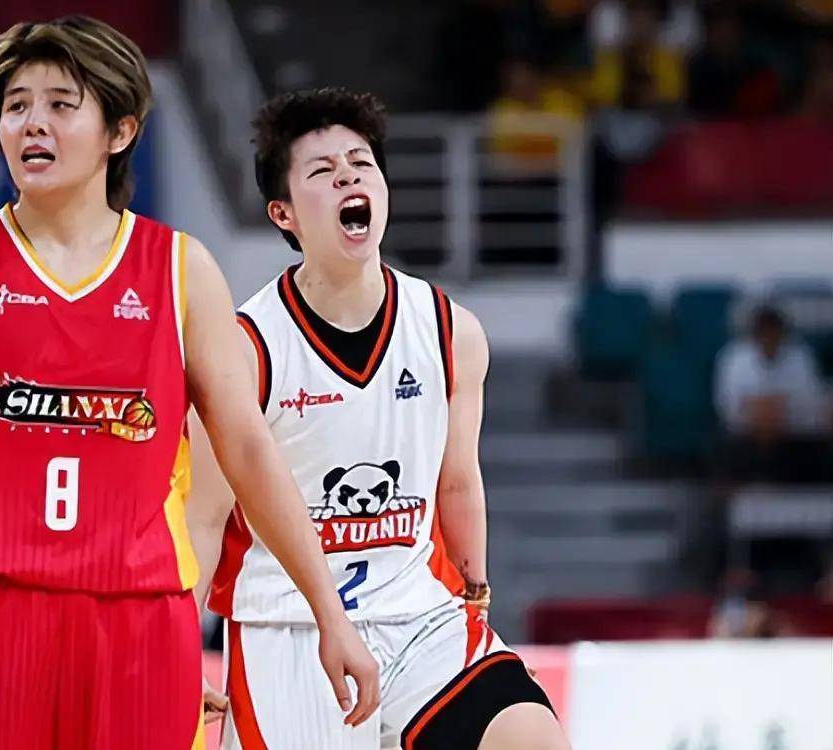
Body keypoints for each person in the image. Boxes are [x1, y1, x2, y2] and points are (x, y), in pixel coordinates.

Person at [0, 17, 379, 750]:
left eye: (61, 104)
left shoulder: (181, 271)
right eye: (16, 106)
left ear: (120, 131)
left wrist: (330, 615)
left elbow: (249, 453)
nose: (33, 123)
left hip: (141, 624)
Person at [188, 88, 569, 750]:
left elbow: (458, 480)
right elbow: (201, 518)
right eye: (322, 170)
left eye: (360, 164)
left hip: (419, 614)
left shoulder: (451, 330)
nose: (347, 177)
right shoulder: (244, 348)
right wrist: (183, 649)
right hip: (289, 625)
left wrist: (477, 604)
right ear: (283, 213)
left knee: (530, 737)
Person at [715, 304, 830, 481]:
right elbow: (727, 406)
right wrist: (760, 412)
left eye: (774, 334)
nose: (769, 340)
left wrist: (776, 410)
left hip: (793, 433)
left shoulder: (800, 357)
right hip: (747, 433)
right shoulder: (734, 357)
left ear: (783, 335)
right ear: (754, 335)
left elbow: (810, 404)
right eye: (764, 334)